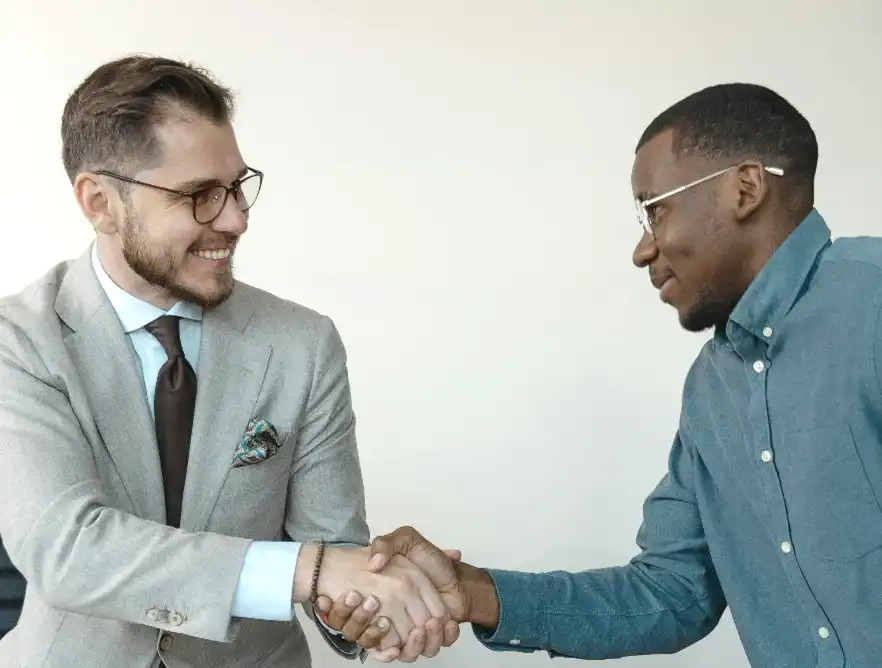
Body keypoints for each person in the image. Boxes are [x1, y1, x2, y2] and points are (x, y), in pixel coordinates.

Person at [317, 83, 882, 667]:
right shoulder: (713, 387)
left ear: (745, 188)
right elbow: (671, 592)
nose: (642, 250)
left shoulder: (873, 301)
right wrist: (472, 592)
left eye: (654, 210)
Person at [0, 54, 457, 668]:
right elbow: (68, 551)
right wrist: (309, 570)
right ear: (99, 202)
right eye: (199, 195)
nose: (236, 218)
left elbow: (333, 552)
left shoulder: (304, 343)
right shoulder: (18, 342)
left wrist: (363, 609)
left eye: (238, 187)